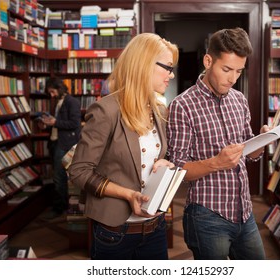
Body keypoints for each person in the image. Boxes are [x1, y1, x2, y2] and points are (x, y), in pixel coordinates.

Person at [68, 33, 179, 260]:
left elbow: (150, 158)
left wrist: (163, 163)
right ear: (144, 65)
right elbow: (79, 171)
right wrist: (127, 194)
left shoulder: (160, 111)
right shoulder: (106, 111)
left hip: (155, 227)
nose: (172, 74)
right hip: (115, 233)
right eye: (167, 67)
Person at [166, 27, 269, 260]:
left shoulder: (239, 100)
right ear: (208, 60)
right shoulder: (182, 105)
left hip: (245, 212)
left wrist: (262, 142)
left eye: (239, 71)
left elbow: (250, 155)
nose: (233, 78)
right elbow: (177, 170)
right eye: (226, 69)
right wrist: (216, 163)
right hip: (207, 217)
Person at [42, 77, 82, 219]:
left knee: (60, 178)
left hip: (65, 144)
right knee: (58, 178)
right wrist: (50, 122)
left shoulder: (72, 102)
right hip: (56, 142)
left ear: (59, 88)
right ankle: (63, 207)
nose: (51, 95)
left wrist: (55, 122)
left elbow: (75, 123)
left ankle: (62, 208)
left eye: (52, 92)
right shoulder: (58, 102)